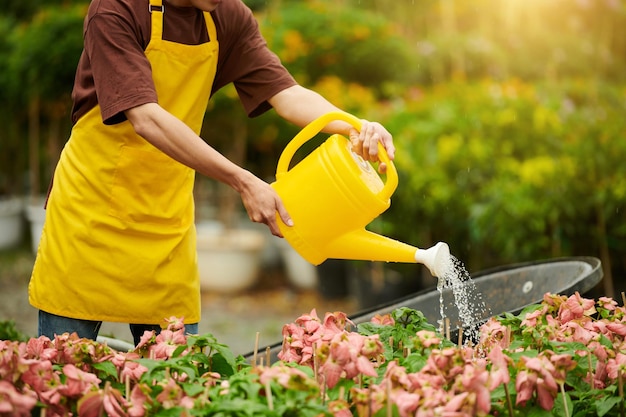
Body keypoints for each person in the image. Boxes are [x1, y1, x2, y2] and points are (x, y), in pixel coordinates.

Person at [28, 0, 395, 346]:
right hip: (89, 214)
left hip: (165, 219)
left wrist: (354, 125)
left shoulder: (226, 15)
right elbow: (145, 117)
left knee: (178, 383)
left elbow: (286, 93)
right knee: (59, 373)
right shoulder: (117, 8)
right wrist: (242, 179)